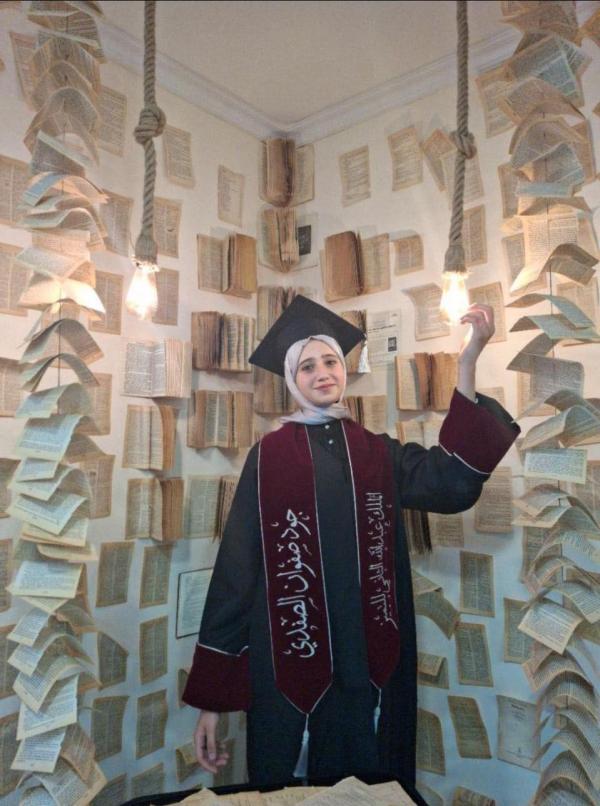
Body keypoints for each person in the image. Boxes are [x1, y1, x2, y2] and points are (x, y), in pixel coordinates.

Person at [182, 295, 519, 791]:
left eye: (331, 361)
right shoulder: (268, 457)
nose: (322, 373)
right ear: (291, 379)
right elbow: (236, 573)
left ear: (344, 369)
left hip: (369, 669)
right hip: (289, 668)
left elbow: (449, 481)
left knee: (367, 787)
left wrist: (468, 363)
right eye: (308, 366)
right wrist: (211, 702)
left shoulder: (376, 453)